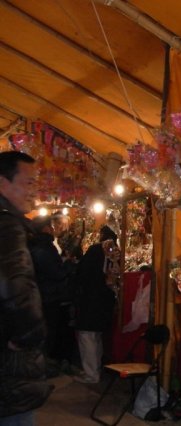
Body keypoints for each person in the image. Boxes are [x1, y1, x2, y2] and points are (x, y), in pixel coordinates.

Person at [0, 151, 53, 425]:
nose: (34, 189)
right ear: (3, 183)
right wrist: (30, 334)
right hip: (9, 370)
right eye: (28, 181)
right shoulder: (7, 224)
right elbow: (15, 283)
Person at [73, 225, 119, 384]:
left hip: (91, 298)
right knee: (97, 336)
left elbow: (82, 272)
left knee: (87, 336)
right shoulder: (117, 251)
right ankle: (95, 369)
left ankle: (91, 373)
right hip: (106, 298)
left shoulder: (96, 250)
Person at [28, 215, 70, 377]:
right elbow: (56, 273)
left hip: (41, 295)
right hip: (49, 296)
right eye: (51, 227)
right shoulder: (44, 248)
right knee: (49, 332)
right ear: (45, 228)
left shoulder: (35, 246)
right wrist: (67, 264)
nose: (53, 229)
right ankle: (42, 368)